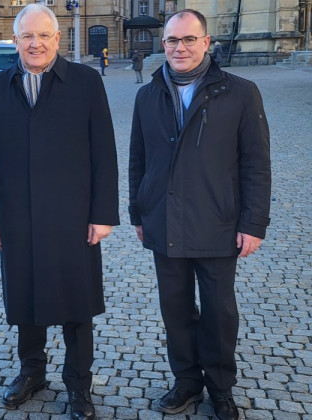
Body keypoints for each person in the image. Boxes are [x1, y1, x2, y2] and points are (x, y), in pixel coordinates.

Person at [0, 4, 119, 420]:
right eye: (27, 36)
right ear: (16, 41)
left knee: (77, 303)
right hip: (16, 215)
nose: (35, 43)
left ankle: (79, 384)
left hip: (72, 216)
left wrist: (102, 213)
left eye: (43, 35)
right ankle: (32, 372)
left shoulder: (86, 82)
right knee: (25, 300)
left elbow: (104, 153)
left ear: (58, 39)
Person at [128, 9, 271, 420]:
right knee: (175, 309)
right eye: (172, 41)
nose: (180, 48)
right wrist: (138, 211)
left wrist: (253, 223)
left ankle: (221, 387)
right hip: (163, 219)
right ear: (165, 45)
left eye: (189, 39)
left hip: (218, 222)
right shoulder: (147, 94)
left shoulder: (241, 92)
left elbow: (257, 164)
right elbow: (139, 159)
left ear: (206, 43)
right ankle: (187, 381)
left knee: (219, 312)